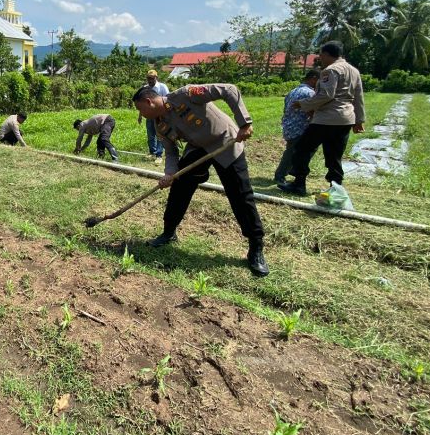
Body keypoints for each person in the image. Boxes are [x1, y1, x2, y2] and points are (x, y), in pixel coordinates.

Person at [132, 83, 269, 277]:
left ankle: (256, 247)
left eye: (139, 109)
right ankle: (169, 232)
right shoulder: (160, 124)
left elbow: (229, 90)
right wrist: (169, 174)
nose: (140, 113)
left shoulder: (186, 95)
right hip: (198, 149)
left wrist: (244, 123)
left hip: (226, 141)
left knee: (240, 194)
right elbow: (171, 153)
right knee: (180, 187)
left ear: (148, 101)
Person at [279, 42, 365, 196]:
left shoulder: (330, 71)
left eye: (321, 55)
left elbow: (326, 95)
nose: (320, 59)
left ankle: (299, 184)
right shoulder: (354, 71)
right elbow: (358, 97)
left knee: (302, 149)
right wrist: (359, 120)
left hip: (326, 118)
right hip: (345, 119)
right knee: (334, 155)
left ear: (326, 54)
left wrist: (303, 104)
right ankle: (335, 188)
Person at [274, 70, 320, 184]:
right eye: (319, 81)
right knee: (292, 153)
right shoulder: (310, 93)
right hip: (300, 127)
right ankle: (280, 175)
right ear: (313, 78)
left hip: (289, 126)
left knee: (292, 151)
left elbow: (286, 109)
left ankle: (285, 173)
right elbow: (311, 112)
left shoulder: (293, 91)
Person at [137, 69, 170, 164]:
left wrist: (167, 114)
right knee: (150, 134)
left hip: (160, 115)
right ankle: (152, 152)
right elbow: (142, 104)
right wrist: (140, 115)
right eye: (148, 78)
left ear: (156, 77)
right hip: (149, 116)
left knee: (159, 135)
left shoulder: (162, 87)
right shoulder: (145, 88)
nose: (150, 80)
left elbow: (167, 100)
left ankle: (159, 155)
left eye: (152, 78)